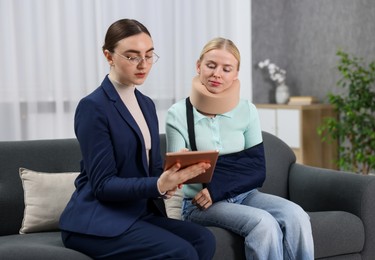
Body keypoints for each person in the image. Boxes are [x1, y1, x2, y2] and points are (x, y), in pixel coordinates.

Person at [59, 19, 216, 260]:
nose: (143, 64)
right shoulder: (93, 107)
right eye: (132, 57)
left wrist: (173, 173)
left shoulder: (146, 104)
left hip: (137, 213)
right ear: (108, 56)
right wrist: (158, 185)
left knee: (203, 239)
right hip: (97, 219)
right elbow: (102, 185)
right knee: (181, 252)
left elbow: (151, 170)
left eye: (149, 55)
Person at [165, 37, 314, 260]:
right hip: (198, 204)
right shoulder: (178, 114)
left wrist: (216, 187)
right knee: (264, 224)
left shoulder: (247, 110)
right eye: (211, 65)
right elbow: (174, 178)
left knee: (297, 214)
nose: (217, 74)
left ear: (235, 74)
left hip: (244, 194)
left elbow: (256, 169)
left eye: (227, 69)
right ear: (199, 66)